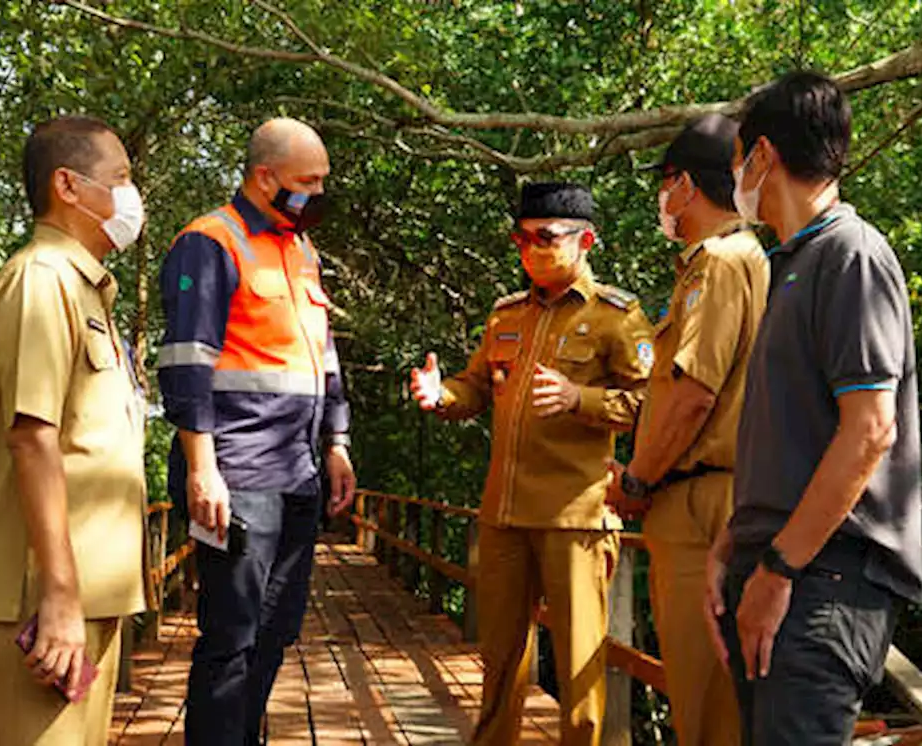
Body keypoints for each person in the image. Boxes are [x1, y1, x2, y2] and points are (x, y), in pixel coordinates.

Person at [704, 71, 922, 744]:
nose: (735, 175)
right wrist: (731, 544)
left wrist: (777, 570)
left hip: (823, 578)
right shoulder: (792, 262)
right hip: (778, 564)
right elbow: (789, 432)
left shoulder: (853, 256)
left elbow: (869, 432)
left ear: (763, 155)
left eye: (738, 158)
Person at [411, 182, 654, 746]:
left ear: (585, 239)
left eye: (544, 237)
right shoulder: (506, 315)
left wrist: (581, 399)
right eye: (521, 237)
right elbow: (475, 385)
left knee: (580, 671)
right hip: (504, 514)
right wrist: (440, 394)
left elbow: (652, 406)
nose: (529, 249)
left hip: (575, 517)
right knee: (498, 663)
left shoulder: (618, 317)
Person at [156, 117, 356, 746]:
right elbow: (188, 360)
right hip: (236, 472)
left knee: (277, 628)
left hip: (298, 471)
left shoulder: (301, 250)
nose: (318, 194)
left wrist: (338, 444)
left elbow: (323, 356)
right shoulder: (210, 242)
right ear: (264, 177)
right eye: (308, 182)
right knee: (231, 633)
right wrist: (201, 468)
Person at [0, 115, 150, 745]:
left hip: (89, 593)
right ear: (68, 186)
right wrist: (60, 596)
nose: (130, 196)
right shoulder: (41, 281)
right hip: (45, 601)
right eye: (119, 179)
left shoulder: (86, 289)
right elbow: (31, 437)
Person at [605, 114, 769, 746]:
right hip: (711, 493)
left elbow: (693, 395)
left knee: (703, 701)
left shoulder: (721, 263)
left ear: (686, 186)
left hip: (700, 500)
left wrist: (640, 478)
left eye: (665, 183)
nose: (662, 200)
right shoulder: (737, 259)